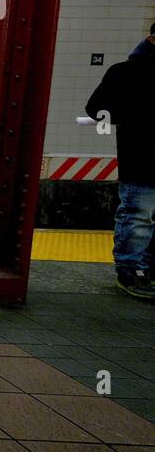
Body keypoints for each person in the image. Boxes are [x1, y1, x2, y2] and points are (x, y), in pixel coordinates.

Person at [85, 21, 155, 301]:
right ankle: (131, 271)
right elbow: (97, 109)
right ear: (152, 39)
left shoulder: (124, 72)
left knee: (140, 216)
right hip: (141, 161)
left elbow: (97, 110)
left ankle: (141, 270)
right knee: (139, 216)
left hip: (139, 156)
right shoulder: (125, 73)